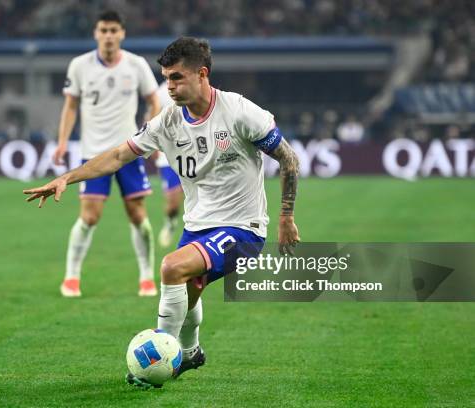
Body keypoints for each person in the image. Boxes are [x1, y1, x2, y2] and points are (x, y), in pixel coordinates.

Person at [25, 37, 300, 385]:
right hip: (198, 225)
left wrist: (285, 217)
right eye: (166, 78)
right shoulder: (166, 123)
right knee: (187, 294)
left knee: (172, 267)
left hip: (243, 228)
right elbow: (117, 156)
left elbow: (289, 159)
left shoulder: (240, 112)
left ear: (202, 74)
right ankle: (190, 354)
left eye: (177, 78)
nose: (169, 86)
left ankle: (158, 363)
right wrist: (68, 176)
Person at [51, 10, 161, 297]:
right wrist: (62, 142)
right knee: (90, 216)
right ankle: (71, 278)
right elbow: (71, 106)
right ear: (96, 33)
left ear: (122, 33)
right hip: (92, 153)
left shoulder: (136, 65)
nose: (109, 35)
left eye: (114, 30)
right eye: (104, 30)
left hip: (127, 152)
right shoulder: (80, 66)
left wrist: (149, 135)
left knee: (138, 215)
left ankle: (147, 277)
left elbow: (154, 101)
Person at [151, 81, 184, 248]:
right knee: (172, 203)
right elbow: (152, 117)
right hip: (168, 154)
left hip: (196, 151)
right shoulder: (161, 92)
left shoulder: (194, 87)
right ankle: (171, 222)